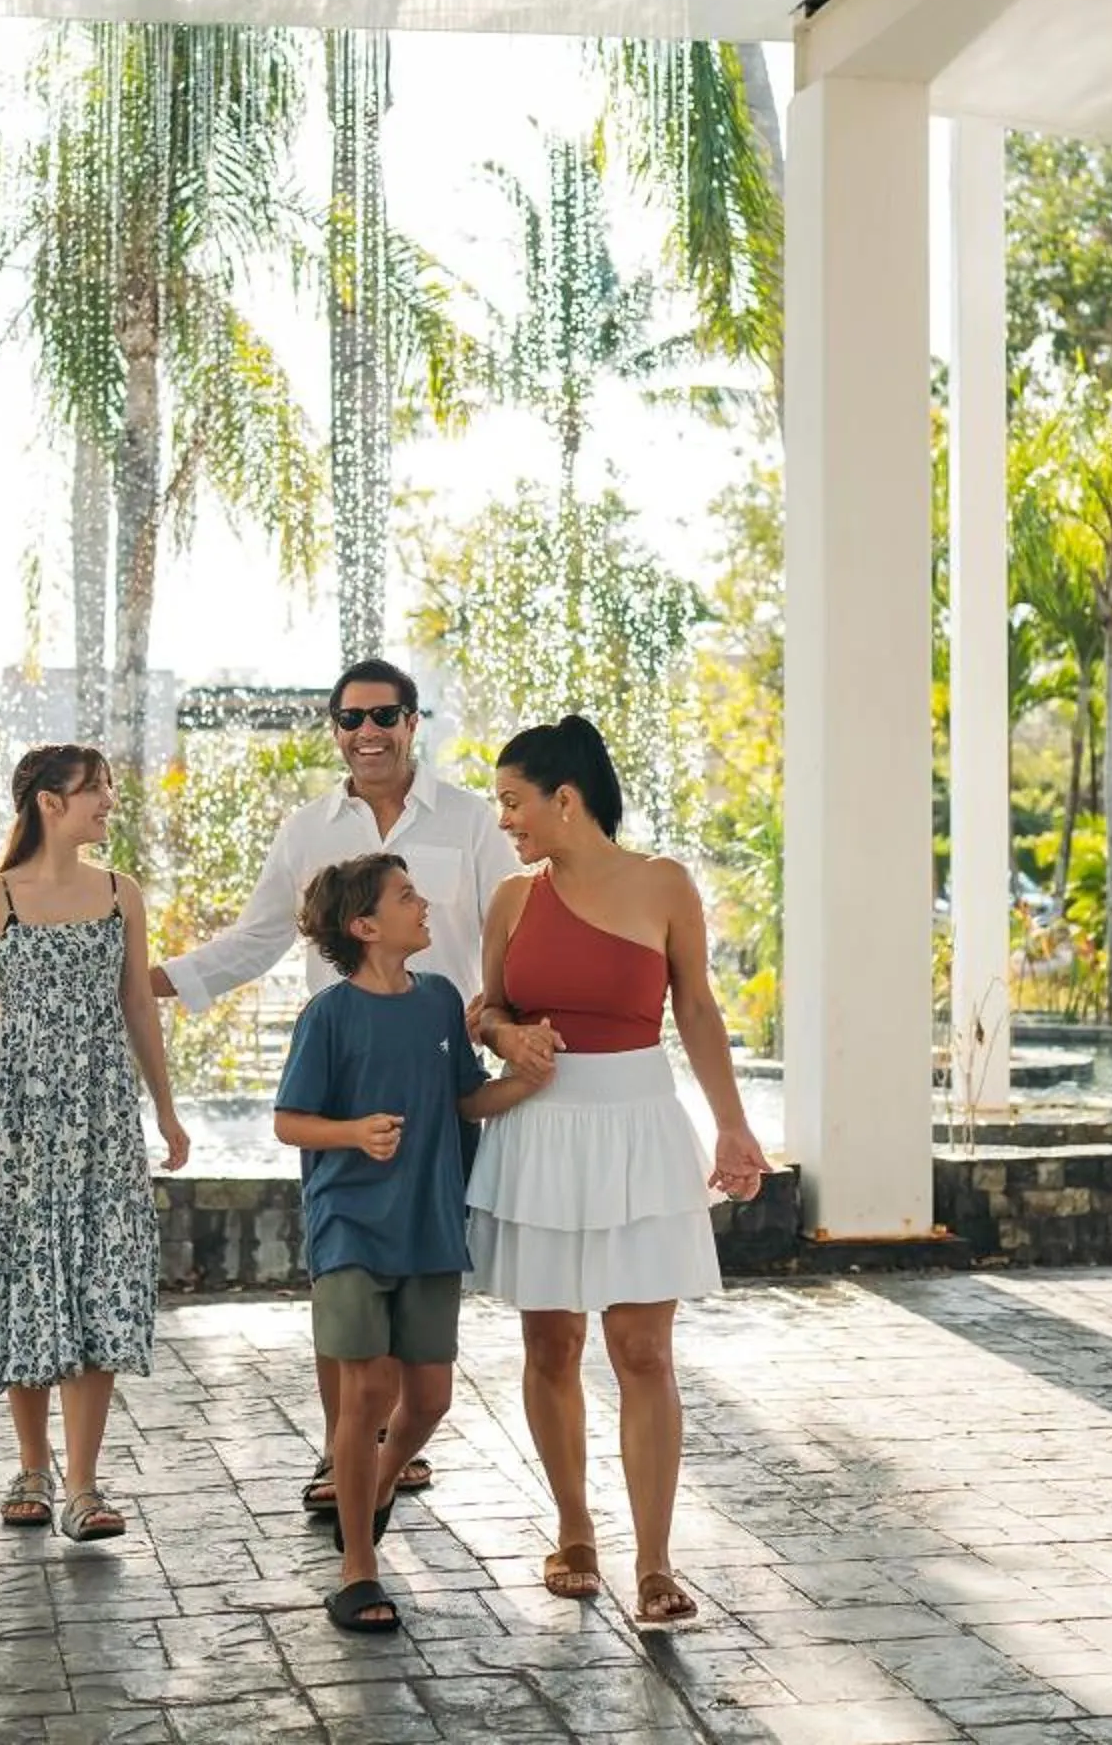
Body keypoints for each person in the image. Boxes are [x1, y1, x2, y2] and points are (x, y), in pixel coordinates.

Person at [154, 658, 547, 1510]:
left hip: (443, 1074)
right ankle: (345, 1457)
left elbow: (499, 937)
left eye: (385, 715)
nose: (367, 732)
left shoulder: (471, 821)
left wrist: (508, 1021)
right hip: (342, 1086)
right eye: (350, 718)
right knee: (344, 1275)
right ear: (334, 728)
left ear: (413, 723)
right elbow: (259, 939)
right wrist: (155, 980)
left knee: (419, 1267)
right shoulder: (308, 829)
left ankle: (396, 1443)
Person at [465, 715, 770, 1626]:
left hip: (640, 1128)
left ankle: (655, 1562)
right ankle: (574, 1532)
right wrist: (506, 1035)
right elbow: (488, 1013)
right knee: (551, 1346)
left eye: (515, 803)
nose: (506, 823)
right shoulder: (515, 899)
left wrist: (733, 1128)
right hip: (541, 1129)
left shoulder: (665, 884)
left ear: (567, 798)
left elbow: (701, 1012)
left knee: (643, 1349)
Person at [272, 853, 547, 1633]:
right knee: (365, 1393)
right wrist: (354, 1133)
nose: (424, 905)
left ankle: (380, 1481)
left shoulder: (437, 1002)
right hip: (350, 1227)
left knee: (429, 1398)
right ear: (364, 927)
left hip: (430, 1225)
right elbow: (290, 1122)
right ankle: (357, 1567)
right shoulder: (327, 1016)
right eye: (406, 897)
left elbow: (466, 1097)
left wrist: (531, 1077)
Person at [0, 744, 191, 1545]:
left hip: (103, 1106)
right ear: (50, 802)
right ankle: (32, 1464)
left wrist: (167, 1110)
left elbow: (138, 1009)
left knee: (100, 1272)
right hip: (17, 1108)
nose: (109, 801)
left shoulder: (122, 895)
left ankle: (83, 1484)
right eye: (96, 790)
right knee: (23, 1270)